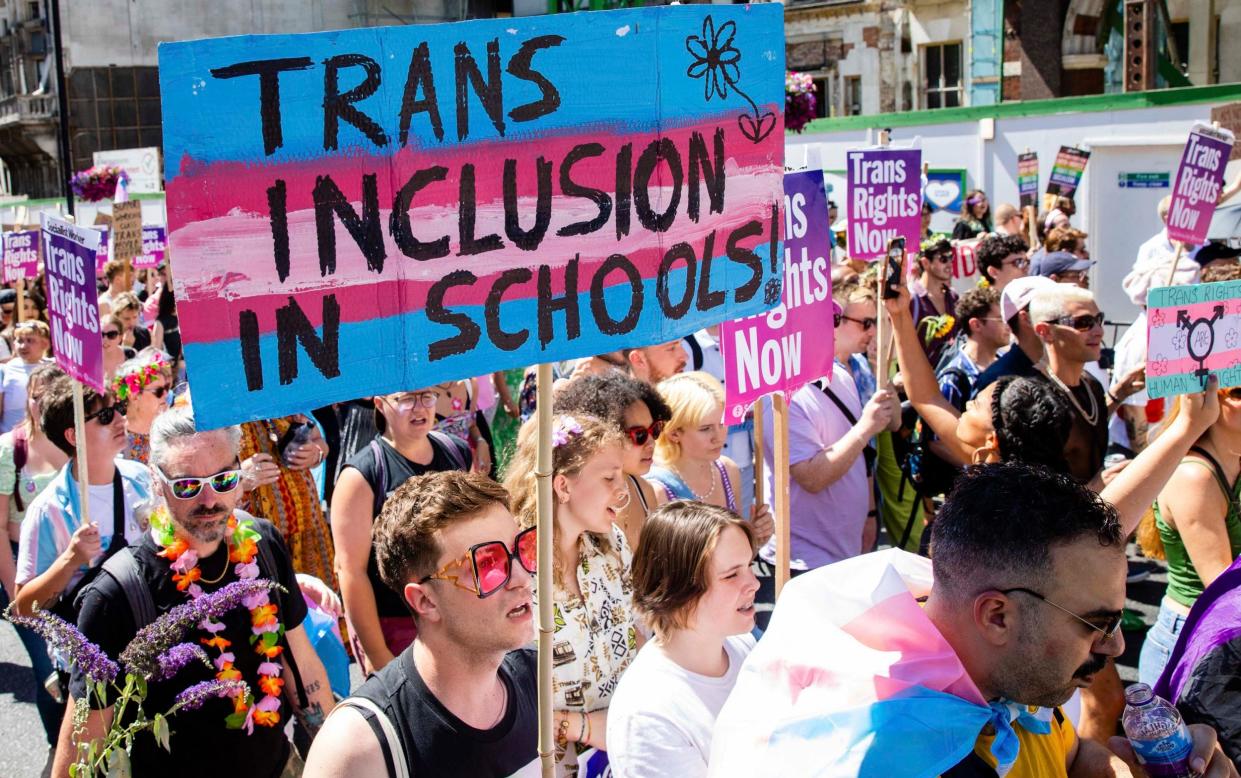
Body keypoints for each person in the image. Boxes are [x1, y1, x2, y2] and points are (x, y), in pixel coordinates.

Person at [710, 463, 1238, 777]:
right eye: (1096, 623)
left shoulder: (1004, 663)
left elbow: (1073, 759)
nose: (1116, 647)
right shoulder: (907, 758)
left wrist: (1156, 767)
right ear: (997, 615)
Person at [60, 404, 335, 778]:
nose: (209, 501)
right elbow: (81, 745)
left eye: (223, 480)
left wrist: (335, 753)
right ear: (157, 482)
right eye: (187, 485)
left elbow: (299, 664)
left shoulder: (264, 545)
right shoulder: (117, 594)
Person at [304, 471, 539, 777]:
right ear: (425, 601)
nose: (521, 578)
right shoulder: (359, 746)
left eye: (522, 549)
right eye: (486, 564)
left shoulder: (538, 676)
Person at [755, 282, 899, 615]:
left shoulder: (839, 373)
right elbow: (811, 477)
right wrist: (866, 426)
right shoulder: (779, 397)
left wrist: (870, 514)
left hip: (845, 549)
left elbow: (859, 454)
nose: (834, 327)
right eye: (829, 319)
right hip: (807, 560)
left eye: (835, 317)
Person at [505, 414, 637, 777]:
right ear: (562, 485)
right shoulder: (513, 571)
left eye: (622, 476)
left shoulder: (612, 546)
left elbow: (637, 632)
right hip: (546, 761)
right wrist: (574, 727)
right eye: (609, 478)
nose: (622, 490)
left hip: (621, 746)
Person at [606, 501, 759, 777]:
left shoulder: (742, 647)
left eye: (749, 565)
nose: (754, 583)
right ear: (679, 591)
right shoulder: (648, 717)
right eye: (732, 574)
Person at [331, 388, 472, 675]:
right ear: (381, 405)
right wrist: (377, 653)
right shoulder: (361, 476)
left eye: (427, 397)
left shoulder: (457, 453)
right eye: (407, 399)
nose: (420, 408)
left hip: (455, 616)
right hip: (397, 625)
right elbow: (350, 572)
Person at [12, 374, 150, 617]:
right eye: (105, 416)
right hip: (90, 651)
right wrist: (70, 560)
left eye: (117, 408)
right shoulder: (48, 510)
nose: (120, 419)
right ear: (73, 436)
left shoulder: (141, 479)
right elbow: (24, 609)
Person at [1136, 387, 1241, 685]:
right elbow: (1225, 589)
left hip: (1222, 634)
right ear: (1206, 399)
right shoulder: (1194, 476)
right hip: (1191, 639)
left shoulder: (1236, 459)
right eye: (1239, 392)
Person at [0, 363, 66, 755]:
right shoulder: (11, 449)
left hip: (74, 571)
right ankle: (58, 748)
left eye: (50, 393)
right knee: (49, 670)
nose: (40, 402)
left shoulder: (78, 440)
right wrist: (15, 593)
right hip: (26, 573)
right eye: (34, 394)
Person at [1029, 284, 1144, 483]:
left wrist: (1117, 395)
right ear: (1045, 331)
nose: (1099, 331)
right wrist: (1096, 489)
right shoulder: (1031, 397)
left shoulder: (1091, 386)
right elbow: (1034, 491)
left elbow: (1084, 424)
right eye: (1083, 323)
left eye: (1099, 320)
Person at [554, 372, 671, 551]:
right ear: (604, 436)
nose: (651, 442)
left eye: (654, 430)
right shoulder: (580, 504)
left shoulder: (645, 490)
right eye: (639, 435)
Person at [239, 414, 337, 590]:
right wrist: (238, 478)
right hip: (252, 544)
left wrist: (316, 452)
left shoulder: (275, 393)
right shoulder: (208, 407)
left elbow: (317, 437)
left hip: (306, 533)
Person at [681, 326, 755, 515]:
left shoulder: (751, 335)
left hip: (742, 461)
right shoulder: (687, 345)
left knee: (740, 526)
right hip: (697, 465)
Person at [971, 276, 1056, 396]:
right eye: (1051, 306)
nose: (1062, 312)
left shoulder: (1067, 367)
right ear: (1026, 318)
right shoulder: (997, 382)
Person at [938, 287, 1007, 410]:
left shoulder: (1006, 363)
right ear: (976, 325)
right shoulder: (953, 379)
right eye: (1000, 319)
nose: (1007, 325)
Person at [112, 351, 170, 464]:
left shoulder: (170, 431)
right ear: (134, 396)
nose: (165, 395)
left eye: (166, 388)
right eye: (158, 391)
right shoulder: (112, 435)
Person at [910, 236, 960, 366]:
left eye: (951, 258)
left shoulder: (953, 297)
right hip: (923, 379)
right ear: (926, 263)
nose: (949, 264)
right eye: (943, 259)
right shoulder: (913, 300)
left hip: (950, 376)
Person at [0, 320, 50, 433]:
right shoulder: (4, 370)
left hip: (42, 439)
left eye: (30, 341)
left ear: (45, 344)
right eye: (20, 340)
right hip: (10, 439)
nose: (23, 346)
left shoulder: (55, 368)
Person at [100, 314, 132, 378]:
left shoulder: (130, 355)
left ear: (120, 337)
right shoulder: (89, 358)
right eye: (101, 334)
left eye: (112, 335)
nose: (105, 340)